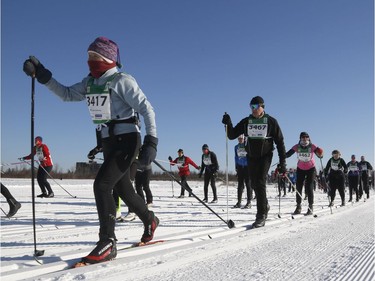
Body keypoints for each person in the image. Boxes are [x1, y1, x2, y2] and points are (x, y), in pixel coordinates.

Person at [23, 36, 159, 264]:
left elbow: (147, 108)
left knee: (102, 185)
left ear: (107, 58)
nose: (90, 61)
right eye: (88, 57)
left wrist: (151, 141)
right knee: (124, 191)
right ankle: (150, 219)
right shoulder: (89, 83)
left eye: (94, 57)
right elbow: (66, 94)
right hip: (109, 143)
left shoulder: (121, 80)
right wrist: (44, 76)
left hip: (127, 141)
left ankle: (108, 241)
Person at [222, 96, 286, 228]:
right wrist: (228, 123)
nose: (254, 109)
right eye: (251, 107)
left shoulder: (271, 122)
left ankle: (261, 215)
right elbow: (232, 135)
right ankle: (265, 205)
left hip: (265, 156)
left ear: (263, 107)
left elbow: (280, 142)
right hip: (251, 156)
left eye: (256, 107)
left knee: (260, 182)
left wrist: (282, 163)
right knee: (254, 183)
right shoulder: (247, 121)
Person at [286, 132, 323, 215]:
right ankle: (298, 206)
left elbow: (320, 155)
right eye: (303, 137)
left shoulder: (312, 146)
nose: (305, 139)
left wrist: (321, 153)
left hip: (311, 168)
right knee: (298, 187)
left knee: (309, 186)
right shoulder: (296, 147)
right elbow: (288, 154)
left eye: (307, 137)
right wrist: (282, 156)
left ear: (309, 138)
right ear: (300, 138)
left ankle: (310, 207)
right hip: (300, 168)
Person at [233, 135, 253, 208]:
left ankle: (249, 202)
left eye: (241, 138)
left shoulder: (247, 145)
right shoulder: (236, 147)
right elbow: (236, 157)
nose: (240, 140)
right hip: (240, 167)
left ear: (244, 139)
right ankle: (239, 202)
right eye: (239, 139)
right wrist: (236, 166)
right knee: (240, 185)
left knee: (248, 184)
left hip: (247, 167)